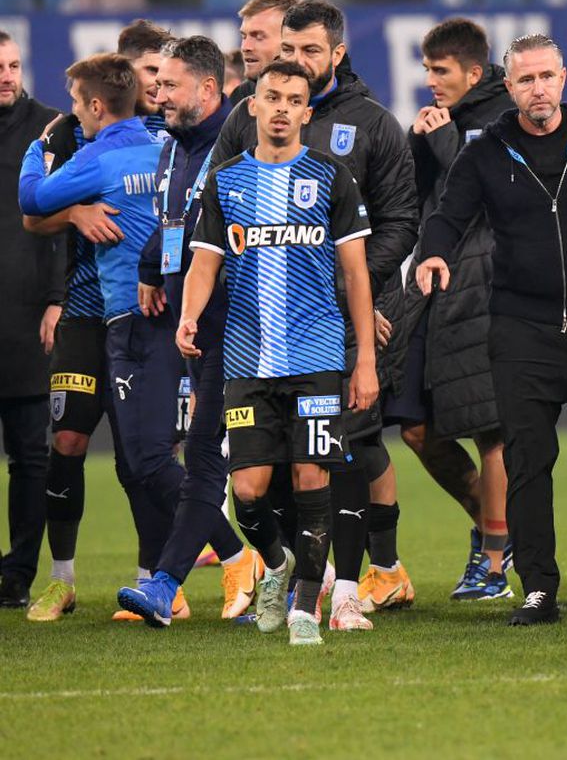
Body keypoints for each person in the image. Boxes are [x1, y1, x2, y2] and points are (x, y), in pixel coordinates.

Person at [416, 33, 567, 626]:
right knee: (527, 460)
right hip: (521, 327)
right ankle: (538, 586)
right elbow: (448, 214)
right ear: (509, 86)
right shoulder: (488, 151)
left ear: (564, 78)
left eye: (546, 77)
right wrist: (433, 253)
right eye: (525, 80)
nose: (537, 89)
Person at [211, 0, 419, 630]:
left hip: (346, 320)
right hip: (266, 330)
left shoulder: (375, 124)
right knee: (270, 471)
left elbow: (400, 221)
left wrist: (341, 296)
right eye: (287, 50)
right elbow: (214, 209)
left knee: (347, 453)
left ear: (337, 52)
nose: (296, 62)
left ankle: (351, 590)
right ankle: (303, 576)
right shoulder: (249, 118)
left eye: (309, 51)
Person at [177, 59, 377, 646]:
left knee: (313, 480)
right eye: (274, 96)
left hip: (316, 359)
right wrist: (190, 313)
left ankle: (306, 611)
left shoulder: (332, 178)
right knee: (248, 492)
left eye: (295, 99)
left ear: (306, 113)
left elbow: (357, 275)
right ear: (254, 107)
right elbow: (205, 262)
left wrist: (363, 358)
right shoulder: (227, 181)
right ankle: (279, 565)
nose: (284, 107)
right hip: (246, 360)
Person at [19, 54, 186, 622]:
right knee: (65, 440)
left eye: (162, 77)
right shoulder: (75, 136)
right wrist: (76, 215)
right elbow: (33, 218)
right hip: (86, 312)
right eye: (150, 76)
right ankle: (61, 580)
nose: (158, 86)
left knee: (139, 456)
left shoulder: (167, 141)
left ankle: (153, 580)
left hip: (140, 312)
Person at [113, 36, 263, 625]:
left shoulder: (237, 147)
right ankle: (263, 569)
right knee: (223, 467)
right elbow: (174, 226)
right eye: (158, 83)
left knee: (214, 462)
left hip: (241, 329)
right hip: (196, 330)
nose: (159, 93)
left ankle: (170, 581)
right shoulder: (174, 148)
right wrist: (153, 270)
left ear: (208, 89)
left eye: (171, 85)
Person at [383, 17, 514, 602]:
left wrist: (441, 143)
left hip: (486, 288)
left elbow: (497, 201)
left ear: (474, 72)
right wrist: (420, 144)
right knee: (414, 427)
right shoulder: (448, 122)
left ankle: (493, 558)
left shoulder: (504, 119)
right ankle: (491, 524)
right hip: (434, 290)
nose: (431, 81)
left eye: (441, 71)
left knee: (492, 429)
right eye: (428, 69)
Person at [0, 32, 59, 608]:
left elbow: (65, 222)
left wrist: (57, 297)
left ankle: (17, 573)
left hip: (25, 317)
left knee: (30, 455)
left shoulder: (50, 128)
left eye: (14, 65)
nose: (7, 75)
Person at [230, 0, 299, 106]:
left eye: (258, 37)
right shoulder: (241, 96)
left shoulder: (328, 100)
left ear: (290, 42)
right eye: (244, 36)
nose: (245, 47)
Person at [118, 20, 172, 141]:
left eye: (166, 74)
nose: (161, 83)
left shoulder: (177, 130)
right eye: (152, 70)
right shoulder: (83, 130)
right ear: (124, 68)